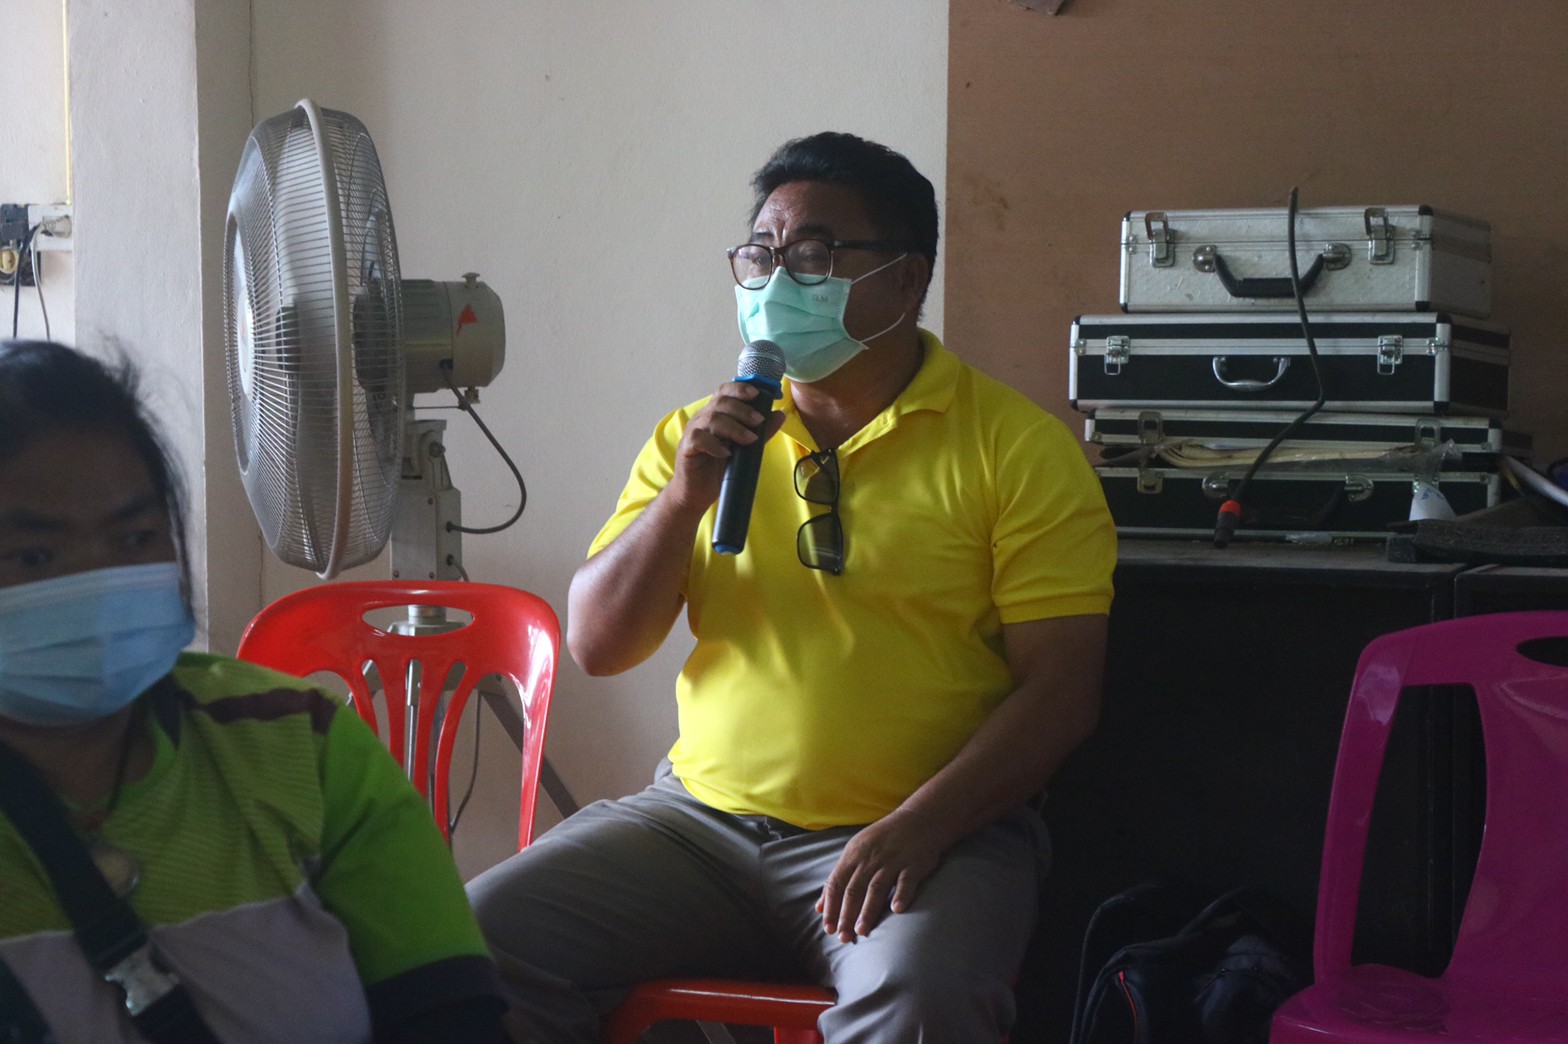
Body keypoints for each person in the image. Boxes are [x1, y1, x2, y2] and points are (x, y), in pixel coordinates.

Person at [468, 132, 1116, 1042]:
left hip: (926, 833)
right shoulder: (695, 439)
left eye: (813, 254)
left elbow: (1061, 693)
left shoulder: (1016, 449)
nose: (776, 280)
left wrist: (921, 826)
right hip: (698, 824)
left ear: (905, 279)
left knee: (917, 998)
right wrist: (686, 496)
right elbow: (599, 646)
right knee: (471, 945)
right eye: (761, 254)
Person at [0, 339, 512, 1043]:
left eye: (135, 538)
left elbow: (451, 1017)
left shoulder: (299, 742)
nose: (100, 586)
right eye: (34, 555)